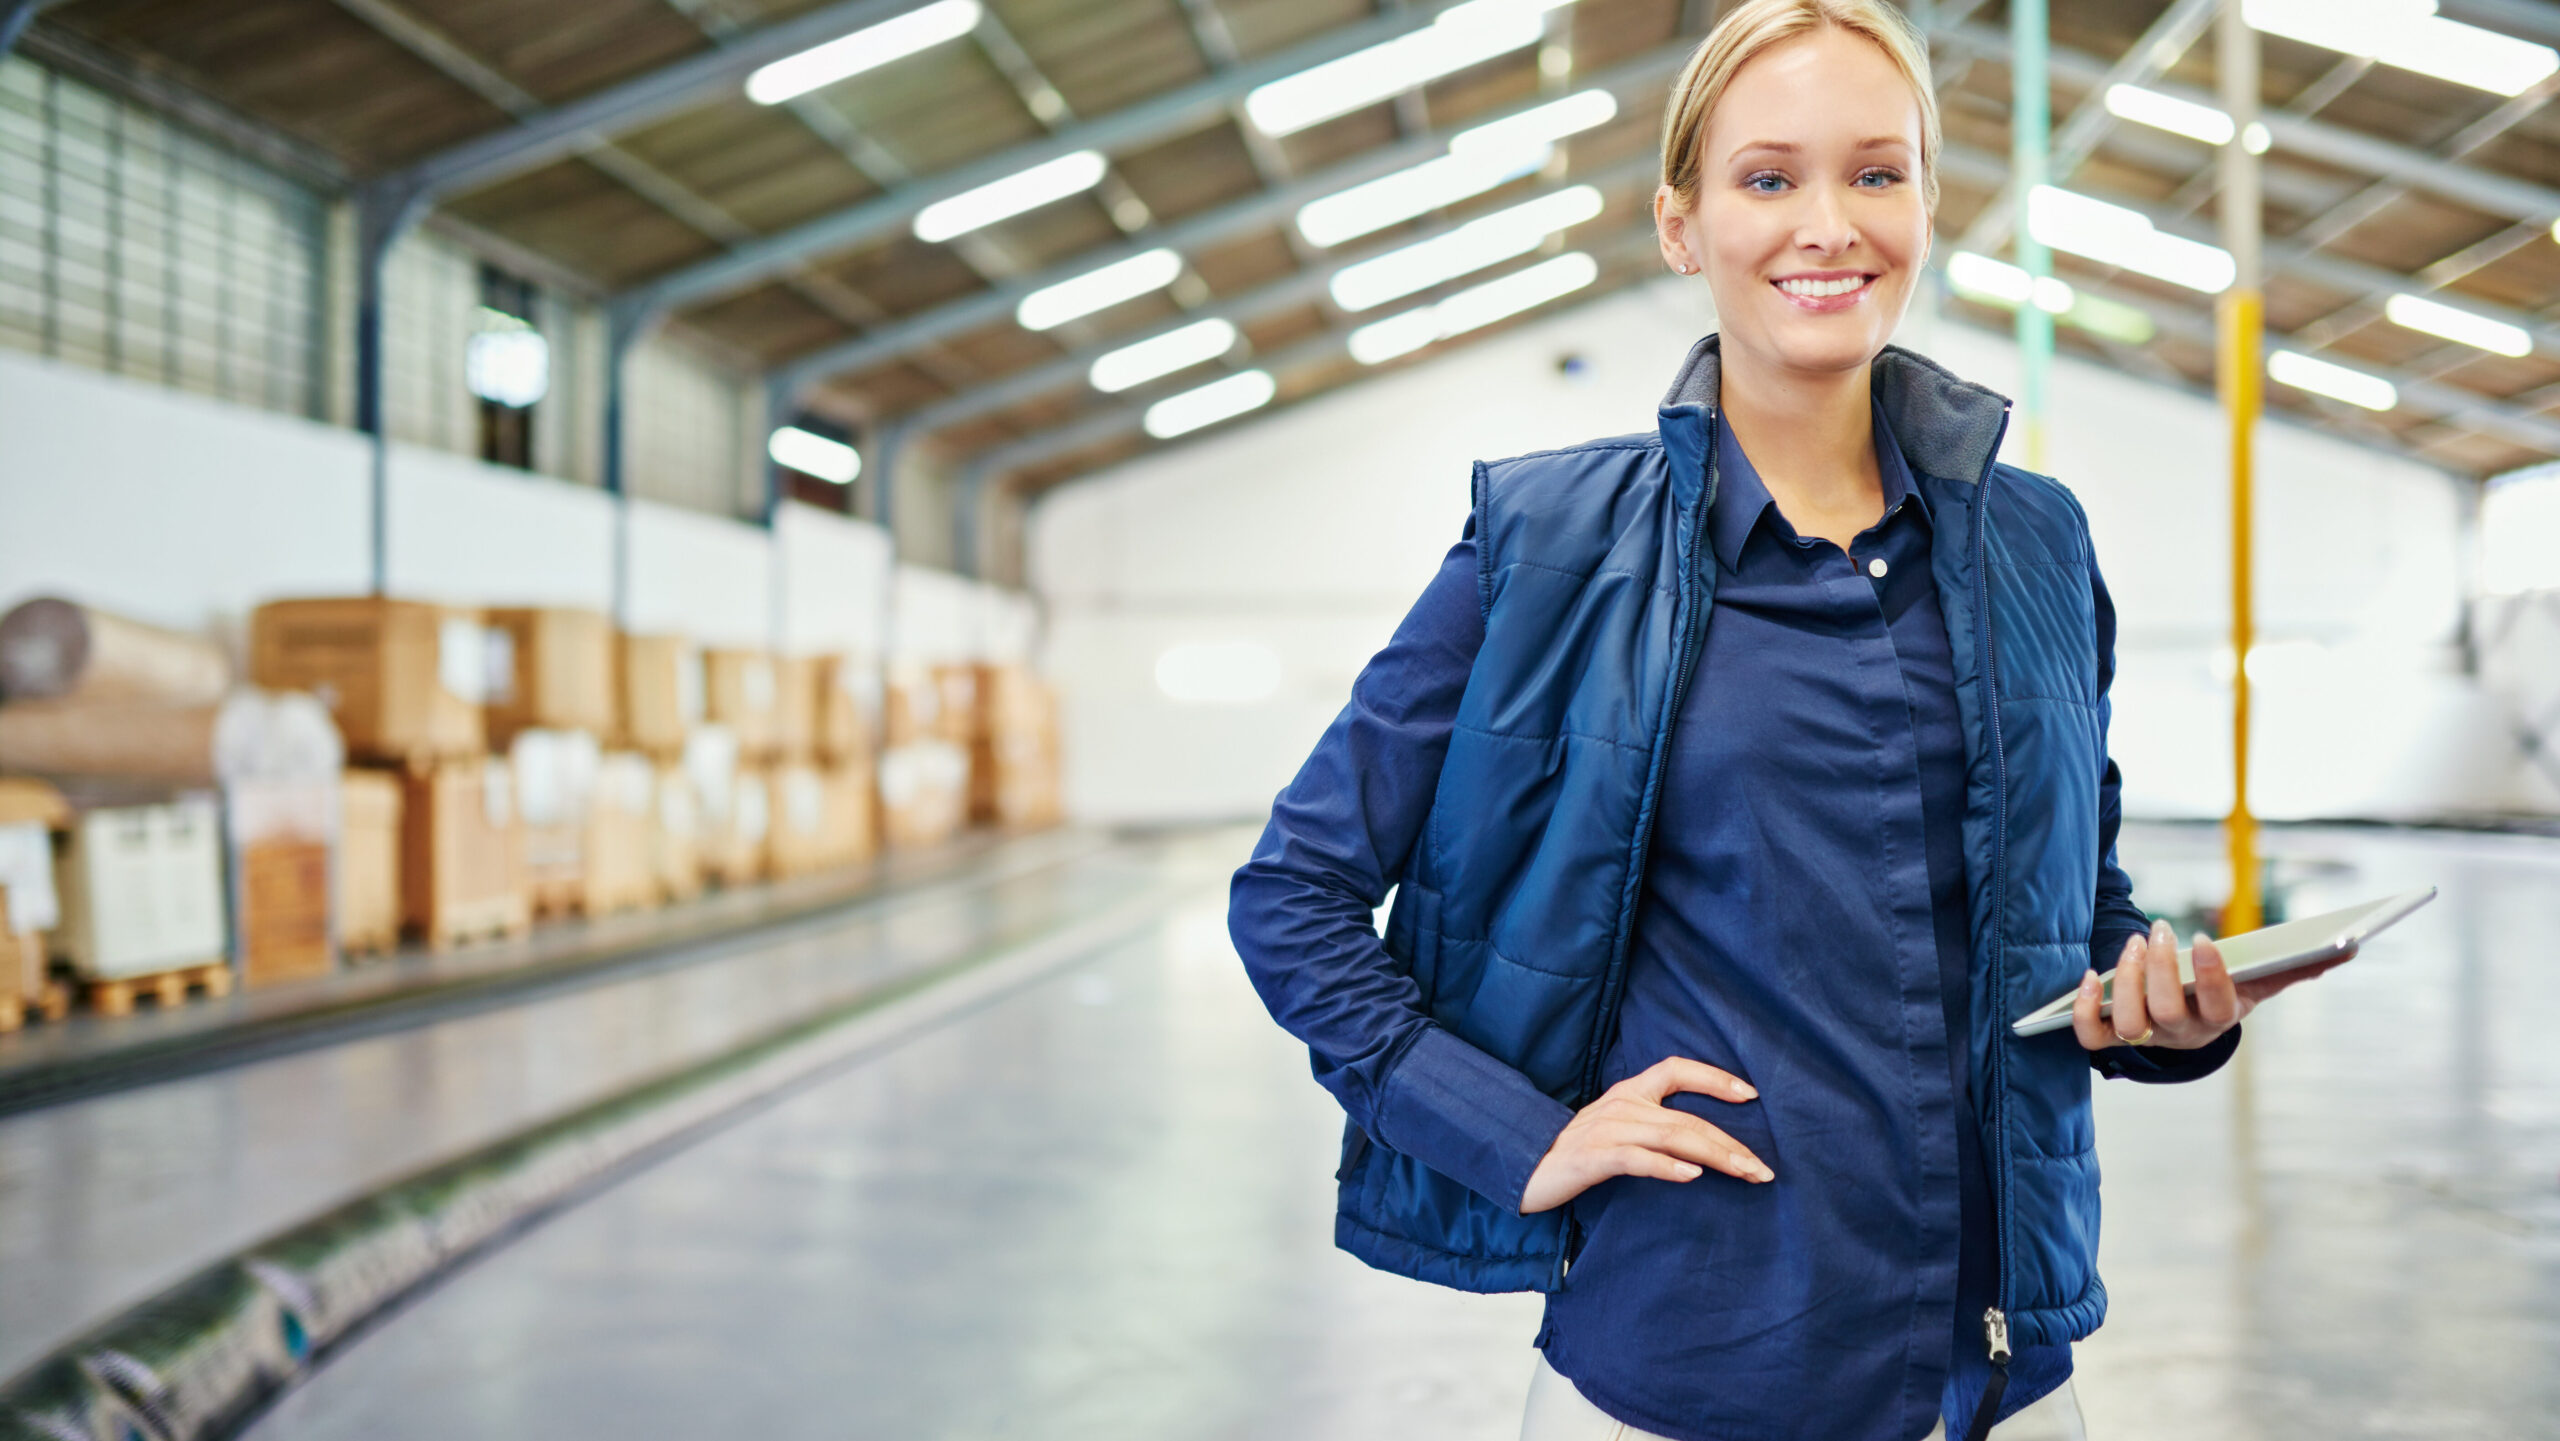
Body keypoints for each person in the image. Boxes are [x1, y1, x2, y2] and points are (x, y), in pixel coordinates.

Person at [1225, 2, 2348, 1438]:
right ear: (1682, 223)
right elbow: (1294, 894)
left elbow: (2077, 905)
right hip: (1690, 1363)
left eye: (1878, 174)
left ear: (1929, 203)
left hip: (2000, 1382)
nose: (1830, 224)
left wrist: (2161, 1006)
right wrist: (1526, 1133)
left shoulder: (2039, 543)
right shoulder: (1549, 545)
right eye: (1769, 179)